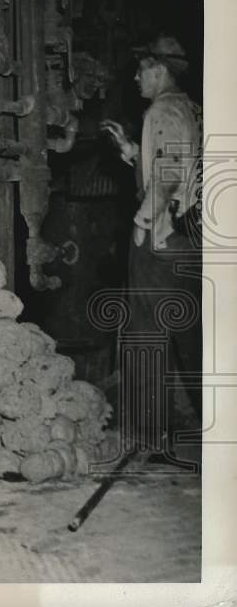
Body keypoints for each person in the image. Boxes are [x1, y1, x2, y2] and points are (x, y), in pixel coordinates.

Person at [101, 35, 202, 463]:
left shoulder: (161, 109)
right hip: (187, 239)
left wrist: (144, 221)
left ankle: (146, 436)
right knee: (190, 331)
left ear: (158, 69)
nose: (137, 77)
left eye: (142, 69)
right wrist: (131, 152)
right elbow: (172, 159)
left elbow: (169, 171)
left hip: (161, 238)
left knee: (146, 332)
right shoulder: (188, 107)